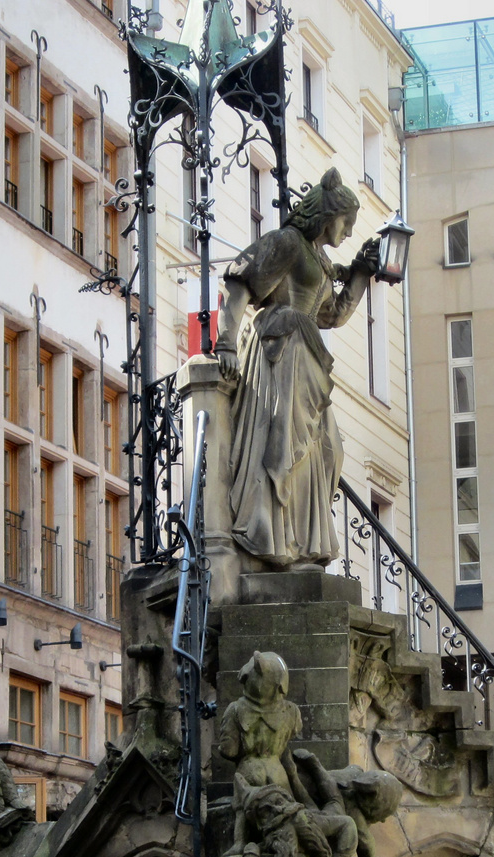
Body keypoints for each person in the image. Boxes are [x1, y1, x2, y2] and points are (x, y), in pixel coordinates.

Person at [215, 168, 380, 569]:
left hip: (306, 355)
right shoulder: (288, 242)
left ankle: (303, 543)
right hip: (280, 350)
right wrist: (225, 342)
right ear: (328, 215)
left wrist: (359, 274)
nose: (348, 231)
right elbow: (241, 283)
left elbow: (334, 315)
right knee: (282, 445)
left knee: (328, 451)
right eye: (347, 222)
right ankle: (272, 537)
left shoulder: (320, 261)